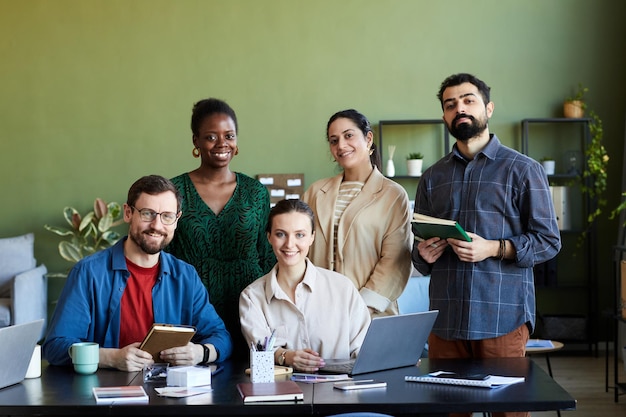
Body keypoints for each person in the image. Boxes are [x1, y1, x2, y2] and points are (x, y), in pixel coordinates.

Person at [412, 73, 561, 417]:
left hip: (502, 318)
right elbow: (421, 253)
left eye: (468, 100)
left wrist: (494, 248)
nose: (459, 109)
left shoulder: (523, 169)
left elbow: (549, 241)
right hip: (445, 322)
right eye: (450, 105)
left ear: (488, 108)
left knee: (508, 413)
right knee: (448, 412)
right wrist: (423, 254)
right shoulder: (432, 177)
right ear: (444, 117)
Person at [43, 175, 232, 371]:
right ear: (128, 213)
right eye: (148, 213)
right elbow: (55, 347)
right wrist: (111, 357)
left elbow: (221, 337)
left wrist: (200, 352)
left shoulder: (186, 276)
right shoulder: (88, 272)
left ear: (176, 220)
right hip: (106, 393)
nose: (157, 226)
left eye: (167, 216)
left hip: (170, 393)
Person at [166, 98, 275, 357]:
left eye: (229, 135)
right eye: (211, 137)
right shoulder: (174, 191)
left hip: (250, 309)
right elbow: (164, 257)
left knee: (252, 388)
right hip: (192, 308)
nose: (222, 143)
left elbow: (269, 257)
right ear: (196, 141)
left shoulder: (256, 193)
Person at [239, 199, 371, 372]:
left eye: (299, 235)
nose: (289, 244)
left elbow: (364, 349)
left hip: (339, 391)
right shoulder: (252, 297)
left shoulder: (343, 288)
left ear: (312, 237)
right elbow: (260, 353)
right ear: (269, 237)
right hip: (282, 392)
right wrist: (286, 357)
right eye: (281, 234)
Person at [303, 109, 412, 317]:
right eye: (333, 140)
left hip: (370, 314)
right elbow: (300, 250)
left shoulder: (393, 195)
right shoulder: (315, 192)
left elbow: (394, 261)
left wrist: (360, 308)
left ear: (368, 138)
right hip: (318, 311)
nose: (341, 145)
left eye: (348, 135)